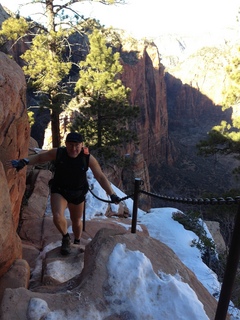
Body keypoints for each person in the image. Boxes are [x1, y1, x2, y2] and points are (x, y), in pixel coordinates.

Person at [9, 132, 121, 255]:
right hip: (60, 190)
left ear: (82, 145)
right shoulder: (59, 153)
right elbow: (41, 157)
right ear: (66, 144)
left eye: (77, 145)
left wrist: (112, 194)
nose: (74, 148)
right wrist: (25, 161)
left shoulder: (87, 158)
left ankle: (77, 241)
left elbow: (100, 177)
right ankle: (66, 237)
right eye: (71, 145)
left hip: (77, 193)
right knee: (57, 216)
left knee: (76, 221)